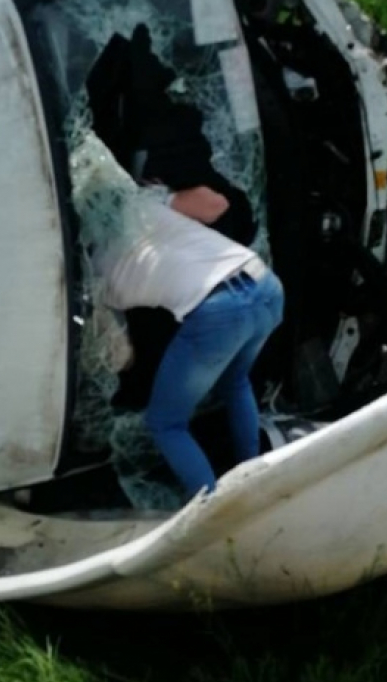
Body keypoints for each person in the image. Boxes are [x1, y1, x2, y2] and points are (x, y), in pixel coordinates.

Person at [70, 133, 284, 499]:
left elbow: (122, 357)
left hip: (218, 312)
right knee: (235, 383)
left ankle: (212, 511)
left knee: (165, 422)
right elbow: (216, 204)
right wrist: (161, 194)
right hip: (264, 286)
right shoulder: (141, 206)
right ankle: (256, 481)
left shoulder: (94, 277)